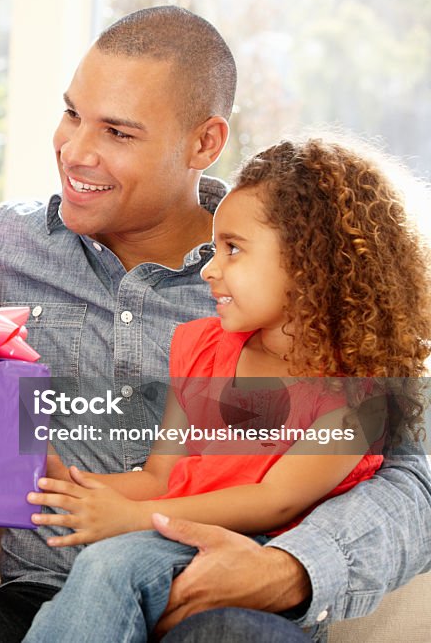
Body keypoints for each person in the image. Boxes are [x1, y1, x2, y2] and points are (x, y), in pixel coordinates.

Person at [0, 5, 431, 642]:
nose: (75, 152)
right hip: (36, 597)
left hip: (217, 598)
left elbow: (414, 481)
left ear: (204, 142)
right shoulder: (3, 248)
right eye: (71, 114)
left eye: (118, 132)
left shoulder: (279, 281)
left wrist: (289, 568)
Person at [22, 136, 431, 642]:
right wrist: (73, 488)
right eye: (216, 248)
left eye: (233, 249)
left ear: (310, 262)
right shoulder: (203, 350)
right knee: (111, 565)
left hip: (250, 559)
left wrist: (132, 518)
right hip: (167, 533)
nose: (211, 269)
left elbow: (275, 500)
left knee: (113, 563)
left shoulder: (355, 400)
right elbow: (160, 476)